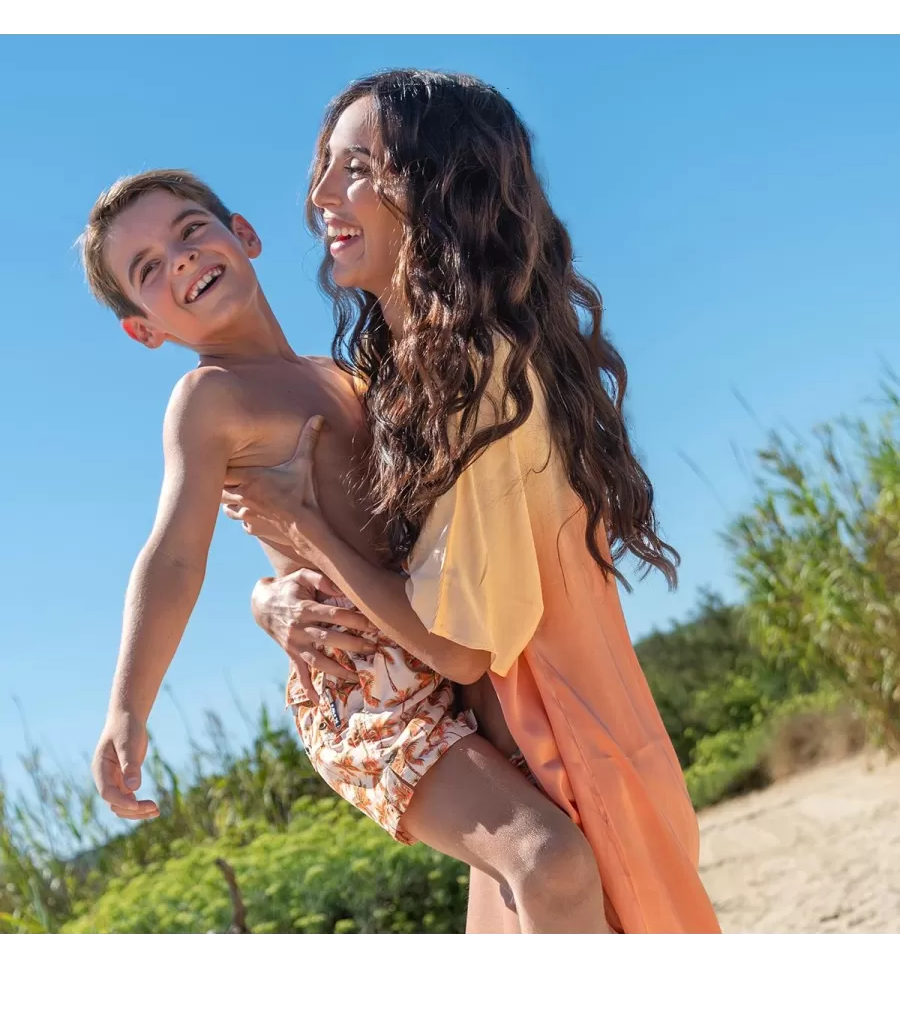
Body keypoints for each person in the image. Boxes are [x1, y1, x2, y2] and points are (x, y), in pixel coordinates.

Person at [225, 70, 721, 934]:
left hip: (565, 748)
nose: (319, 195)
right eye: (323, 168)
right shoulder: (400, 372)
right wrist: (269, 596)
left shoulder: (480, 375)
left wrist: (300, 528)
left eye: (356, 168)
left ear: (437, 187)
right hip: (522, 748)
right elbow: (381, 560)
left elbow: (456, 648)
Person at [82, 169, 610, 934]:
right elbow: (173, 556)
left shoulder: (347, 376)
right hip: (368, 686)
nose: (181, 260)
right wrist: (127, 709)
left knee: (546, 852)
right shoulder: (209, 399)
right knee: (544, 858)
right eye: (149, 269)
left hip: (441, 627)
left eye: (190, 231)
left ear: (244, 234)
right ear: (144, 328)